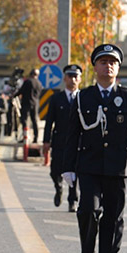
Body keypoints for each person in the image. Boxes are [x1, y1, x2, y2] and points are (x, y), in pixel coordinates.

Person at [62, 44, 127, 253]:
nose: (108, 65)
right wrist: (67, 167)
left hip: (117, 168)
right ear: (95, 67)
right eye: (103, 61)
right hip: (88, 166)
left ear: (118, 68)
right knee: (87, 210)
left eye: (113, 62)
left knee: (113, 216)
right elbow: (73, 134)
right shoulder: (83, 98)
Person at [43, 64, 82, 211]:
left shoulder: (83, 98)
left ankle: (72, 200)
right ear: (65, 78)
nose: (73, 79)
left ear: (80, 79)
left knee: (75, 173)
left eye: (75, 77)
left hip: (78, 143)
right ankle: (58, 187)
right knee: (55, 171)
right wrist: (46, 141)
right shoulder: (56, 99)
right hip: (59, 142)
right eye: (70, 76)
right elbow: (49, 122)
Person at [17, 68, 42, 143]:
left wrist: (14, 95)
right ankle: (36, 138)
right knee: (34, 121)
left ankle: (25, 136)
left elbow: (21, 91)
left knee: (24, 120)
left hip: (26, 103)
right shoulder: (39, 83)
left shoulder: (27, 81)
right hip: (35, 104)